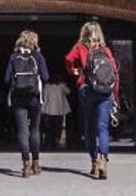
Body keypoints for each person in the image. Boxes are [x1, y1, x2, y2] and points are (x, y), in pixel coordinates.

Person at [66, 21, 120, 180]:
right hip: (105, 91)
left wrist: (75, 71)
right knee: (103, 127)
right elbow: (115, 73)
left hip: (87, 89)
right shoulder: (106, 50)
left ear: (84, 33)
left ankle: (94, 162)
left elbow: (68, 59)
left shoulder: (79, 48)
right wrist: (114, 95)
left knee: (89, 128)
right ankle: (103, 159)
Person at [5, 30, 50, 177]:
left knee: (23, 131)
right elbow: (45, 76)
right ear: (34, 41)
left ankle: (26, 166)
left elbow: (6, 80)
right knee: (35, 129)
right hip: (35, 98)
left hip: (18, 98)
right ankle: (36, 164)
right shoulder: (38, 56)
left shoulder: (13, 57)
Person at [41, 74, 72, 149]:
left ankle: (50, 141)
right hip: (59, 109)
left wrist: (43, 109)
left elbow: (44, 97)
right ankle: (57, 140)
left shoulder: (47, 86)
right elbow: (68, 92)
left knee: (50, 126)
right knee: (58, 126)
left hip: (49, 110)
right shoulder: (62, 86)